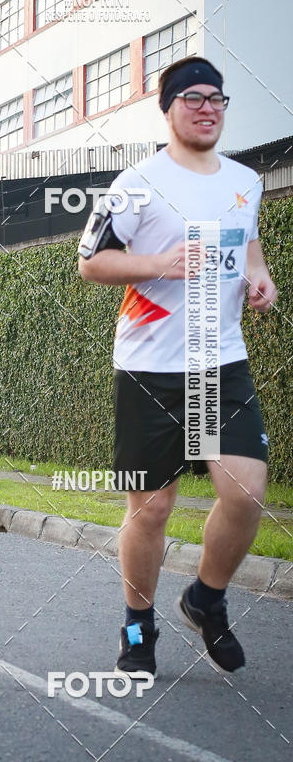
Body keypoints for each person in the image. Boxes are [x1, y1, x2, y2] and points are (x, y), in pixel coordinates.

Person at [78, 56, 277, 677]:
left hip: (219, 363)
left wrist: (260, 277)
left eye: (217, 98)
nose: (207, 107)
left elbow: (248, 242)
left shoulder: (246, 180)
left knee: (246, 492)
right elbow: (92, 263)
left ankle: (205, 599)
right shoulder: (136, 183)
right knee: (152, 509)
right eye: (192, 97)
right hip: (149, 367)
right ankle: (138, 622)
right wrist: (162, 263)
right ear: (167, 109)